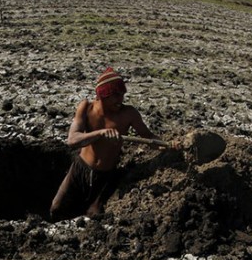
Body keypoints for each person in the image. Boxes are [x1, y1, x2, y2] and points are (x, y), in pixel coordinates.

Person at [50, 67, 176, 220]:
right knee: (57, 208)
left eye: (122, 95)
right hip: (79, 169)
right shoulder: (86, 108)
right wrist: (101, 133)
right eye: (115, 95)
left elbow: (148, 137)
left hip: (106, 175)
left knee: (94, 215)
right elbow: (72, 140)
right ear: (103, 95)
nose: (120, 100)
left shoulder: (129, 114)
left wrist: (169, 145)